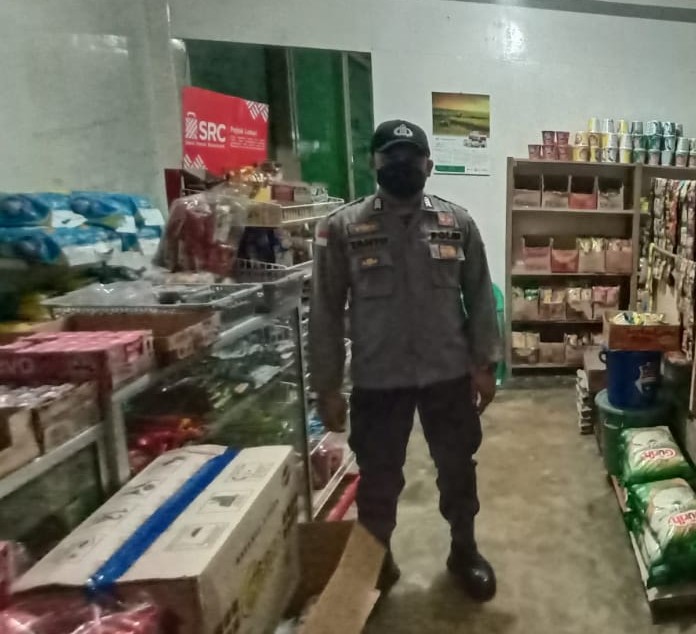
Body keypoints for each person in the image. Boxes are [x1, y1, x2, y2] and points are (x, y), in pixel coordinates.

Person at [308, 119, 501, 601]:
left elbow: (480, 297)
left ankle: (464, 551)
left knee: (457, 470)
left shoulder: (458, 223)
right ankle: (379, 562)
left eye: (410, 157)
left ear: (428, 165)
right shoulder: (342, 228)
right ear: (373, 163)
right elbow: (325, 311)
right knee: (378, 480)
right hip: (379, 377)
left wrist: (484, 365)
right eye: (390, 156)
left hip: (447, 373)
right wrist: (326, 386)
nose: (400, 165)